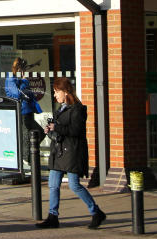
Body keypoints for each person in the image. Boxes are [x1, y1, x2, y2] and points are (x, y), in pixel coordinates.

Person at [35, 77, 106, 229]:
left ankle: (96, 212)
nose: (55, 95)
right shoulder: (60, 108)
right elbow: (60, 128)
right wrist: (51, 129)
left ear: (66, 92)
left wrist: (56, 128)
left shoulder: (78, 109)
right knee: (53, 185)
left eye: (56, 92)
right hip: (59, 151)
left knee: (74, 185)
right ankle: (53, 216)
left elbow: (75, 130)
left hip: (72, 152)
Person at [4, 57, 43, 163]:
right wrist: (25, 81)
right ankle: (25, 160)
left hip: (28, 110)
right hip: (21, 112)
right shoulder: (11, 78)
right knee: (26, 136)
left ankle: (28, 155)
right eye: (23, 70)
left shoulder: (18, 79)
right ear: (19, 70)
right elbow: (17, 94)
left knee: (39, 133)